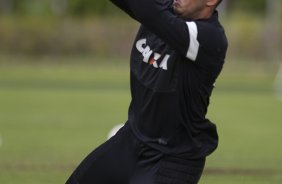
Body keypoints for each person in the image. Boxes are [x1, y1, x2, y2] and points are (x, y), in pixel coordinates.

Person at [66, 0, 227, 183]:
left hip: (174, 161)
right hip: (132, 140)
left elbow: (150, 12)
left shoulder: (209, 37)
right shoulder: (169, 10)